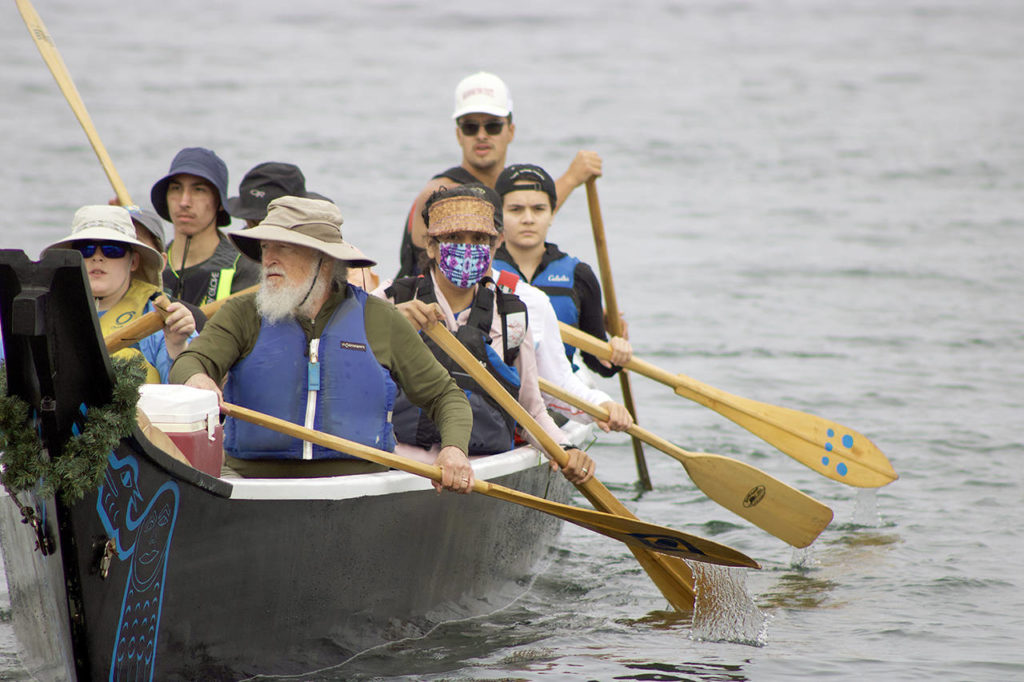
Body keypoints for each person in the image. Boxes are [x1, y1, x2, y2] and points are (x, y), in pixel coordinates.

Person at [168, 196, 475, 490]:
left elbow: (445, 396)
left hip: (358, 485)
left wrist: (453, 450)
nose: (269, 258)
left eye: (284, 247)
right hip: (252, 482)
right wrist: (198, 379)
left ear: (324, 261)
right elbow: (188, 362)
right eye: (265, 247)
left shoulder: (380, 318)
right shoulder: (243, 313)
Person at [380, 186, 595, 484]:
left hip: (483, 466)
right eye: (454, 238)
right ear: (431, 246)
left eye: (479, 239)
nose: (467, 248)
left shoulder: (512, 317)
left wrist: (565, 448)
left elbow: (530, 410)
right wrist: (386, 326)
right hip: (402, 461)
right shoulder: (390, 300)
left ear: (494, 247)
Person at [396, 71, 603, 278]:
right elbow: (506, 221)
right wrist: (571, 179)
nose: (481, 135)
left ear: (511, 131)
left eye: (493, 126)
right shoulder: (441, 192)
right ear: (459, 134)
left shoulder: (508, 190)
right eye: (470, 127)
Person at [492, 163, 632, 379]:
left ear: (552, 214)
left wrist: (617, 350)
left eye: (539, 209)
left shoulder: (579, 275)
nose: (528, 219)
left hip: (559, 393)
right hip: (498, 388)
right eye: (516, 209)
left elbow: (599, 363)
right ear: (499, 216)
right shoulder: (484, 270)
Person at [42, 205, 197, 383]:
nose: (97, 257)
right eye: (85, 249)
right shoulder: (43, 313)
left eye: (112, 249)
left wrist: (177, 346)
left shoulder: (165, 319)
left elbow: (186, 393)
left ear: (134, 261)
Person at [226, 161, 379, 290]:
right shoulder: (237, 259)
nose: (256, 233)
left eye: (259, 223)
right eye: (250, 221)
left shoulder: (353, 275)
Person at [151, 147, 261, 306]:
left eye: (198, 190)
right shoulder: (152, 267)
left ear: (220, 203)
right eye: (176, 188)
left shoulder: (244, 266)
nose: (184, 202)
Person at [126, 206, 207, 332]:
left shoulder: (192, 319)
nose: (126, 255)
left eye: (136, 244)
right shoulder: (84, 311)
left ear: (161, 261)